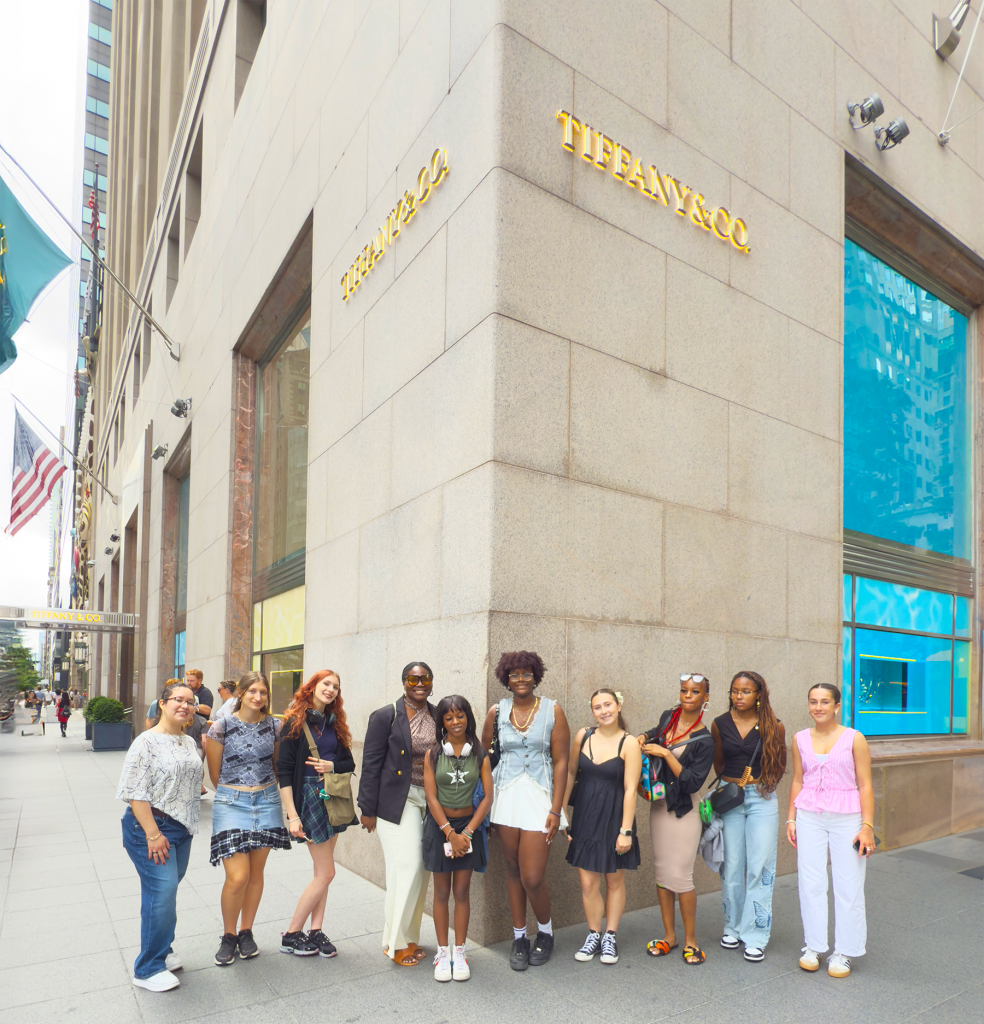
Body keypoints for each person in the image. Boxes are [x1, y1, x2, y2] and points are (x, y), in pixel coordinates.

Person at [481, 651, 570, 971]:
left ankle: (545, 932)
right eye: (514, 675)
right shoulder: (496, 711)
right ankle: (519, 937)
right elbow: (486, 761)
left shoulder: (552, 710)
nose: (520, 679)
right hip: (504, 798)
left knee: (532, 876)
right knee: (513, 870)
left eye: (526, 674)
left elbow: (562, 762)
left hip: (539, 799)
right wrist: (483, 808)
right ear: (506, 678)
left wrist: (557, 810)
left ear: (536, 675)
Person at [117, 679, 204, 992]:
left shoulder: (188, 741)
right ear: (163, 704)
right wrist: (153, 834)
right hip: (150, 829)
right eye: (177, 699)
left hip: (181, 828)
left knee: (161, 894)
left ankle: (162, 952)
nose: (184, 705)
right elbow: (133, 791)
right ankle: (148, 968)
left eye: (189, 701)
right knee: (163, 892)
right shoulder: (146, 742)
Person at [787, 682, 874, 979]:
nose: (818, 707)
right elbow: (798, 780)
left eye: (825, 702)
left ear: (838, 705)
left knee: (848, 883)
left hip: (847, 817)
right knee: (810, 881)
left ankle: (845, 951)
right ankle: (814, 946)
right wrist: (791, 818)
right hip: (809, 814)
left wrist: (867, 826)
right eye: (813, 701)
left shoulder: (854, 738)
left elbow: (865, 784)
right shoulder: (799, 738)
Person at [205, 671, 290, 966]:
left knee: (255, 874)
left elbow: (277, 765)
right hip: (231, 802)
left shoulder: (275, 726)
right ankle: (228, 935)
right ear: (241, 693)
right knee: (237, 876)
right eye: (252, 691)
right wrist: (237, 791)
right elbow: (214, 776)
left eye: (263, 692)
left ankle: (246, 931)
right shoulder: (221, 726)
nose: (258, 697)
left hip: (266, 801)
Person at [358, 661, 438, 966]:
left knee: (421, 869)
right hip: (396, 801)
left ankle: (409, 936)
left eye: (425, 679)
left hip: (429, 801)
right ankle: (394, 943)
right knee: (406, 865)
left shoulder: (436, 714)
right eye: (412, 679)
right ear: (403, 682)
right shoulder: (386, 716)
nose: (419, 684)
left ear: (432, 682)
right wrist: (367, 808)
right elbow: (371, 762)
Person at [276, 669, 357, 957]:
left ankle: (316, 931)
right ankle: (292, 933)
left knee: (322, 872)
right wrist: (292, 815)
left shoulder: (335, 724)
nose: (331, 689)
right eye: (326, 684)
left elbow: (349, 762)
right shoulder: (293, 722)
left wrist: (331, 766)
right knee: (327, 872)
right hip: (309, 797)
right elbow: (283, 772)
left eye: (336, 686)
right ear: (312, 687)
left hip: (332, 796)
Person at [639, 673, 715, 965]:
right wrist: (645, 738)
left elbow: (692, 782)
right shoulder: (669, 717)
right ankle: (669, 936)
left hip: (685, 810)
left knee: (681, 876)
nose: (688, 696)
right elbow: (656, 732)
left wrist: (664, 753)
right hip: (659, 806)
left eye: (695, 692)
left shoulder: (705, 739)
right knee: (662, 874)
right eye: (684, 690)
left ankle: (691, 941)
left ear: (705, 698)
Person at [711, 671, 787, 962]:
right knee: (731, 866)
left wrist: (767, 784)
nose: (738, 696)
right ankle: (732, 926)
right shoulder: (719, 724)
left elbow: (780, 762)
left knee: (760, 867)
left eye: (745, 691)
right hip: (730, 797)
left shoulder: (773, 726)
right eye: (734, 691)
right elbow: (719, 762)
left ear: (759, 694)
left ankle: (755, 934)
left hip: (761, 799)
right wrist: (730, 784)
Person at [563, 688, 642, 965]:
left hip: (614, 818)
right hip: (585, 816)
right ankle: (594, 934)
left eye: (608, 704)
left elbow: (631, 789)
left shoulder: (629, 743)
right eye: (598, 707)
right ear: (592, 711)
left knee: (613, 879)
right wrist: (561, 812)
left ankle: (610, 935)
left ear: (619, 705)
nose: (604, 711)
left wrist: (626, 830)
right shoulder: (582, 736)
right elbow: (571, 773)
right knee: (587, 882)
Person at [423, 695, 494, 982]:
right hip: (441, 828)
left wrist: (465, 833)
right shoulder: (432, 754)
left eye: (460, 716)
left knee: (462, 892)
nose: (455, 722)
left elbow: (488, 797)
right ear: (441, 722)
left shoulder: (479, 753)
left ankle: (460, 952)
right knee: (441, 892)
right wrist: (449, 833)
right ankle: (443, 953)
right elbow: (431, 797)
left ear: (468, 717)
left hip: (468, 828)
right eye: (448, 717)